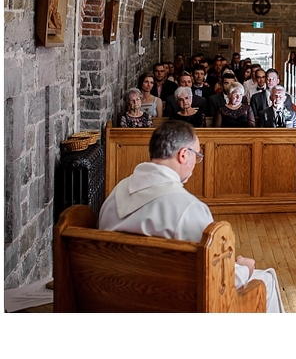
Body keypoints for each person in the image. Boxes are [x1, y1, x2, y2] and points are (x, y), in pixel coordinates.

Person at [98, 121, 284, 312]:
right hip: (174, 302)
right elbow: (217, 281)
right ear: (184, 154)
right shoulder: (188, 208)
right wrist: (245, 268)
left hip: (113, 298)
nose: (196, 163)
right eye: (197, 155)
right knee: (266, 279)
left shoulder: (116, 192)